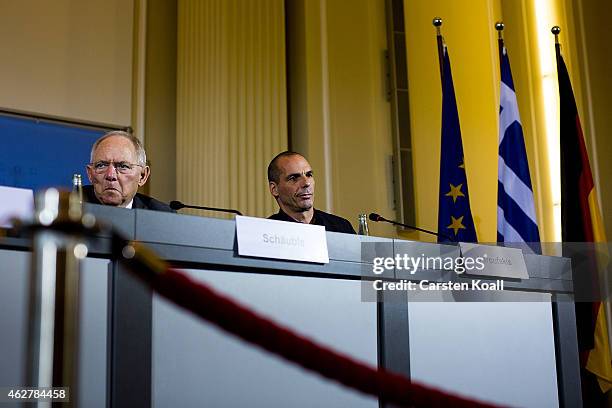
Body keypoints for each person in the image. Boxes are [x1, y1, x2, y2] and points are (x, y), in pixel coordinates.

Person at [267, 151, 356, 234]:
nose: (306, 183)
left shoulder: (342, 227)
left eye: (309, 175)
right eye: (293, 178)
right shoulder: (265, 232)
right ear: (274, 189)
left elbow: (365, 250)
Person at [84, 130, 173, 212]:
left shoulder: (161, 215)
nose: (110, 175)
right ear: (90, 174)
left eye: (123, 166)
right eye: (101, 165)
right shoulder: (72, 206)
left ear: (142, 176)